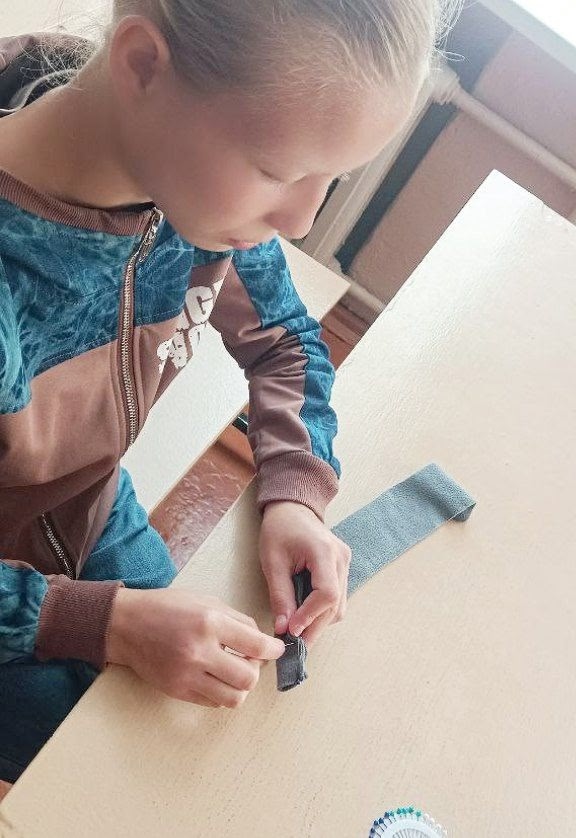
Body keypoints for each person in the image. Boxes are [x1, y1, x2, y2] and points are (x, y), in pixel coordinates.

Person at [0, 0, 457, 783]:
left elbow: (283, 339)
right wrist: (105, 623)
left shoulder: (175, 177)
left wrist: (295, 494)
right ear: (142, 65)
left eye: (333, 179)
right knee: (117, 785)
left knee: (215, 744)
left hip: (87, 511)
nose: (302, 220)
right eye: (279, 172)